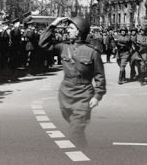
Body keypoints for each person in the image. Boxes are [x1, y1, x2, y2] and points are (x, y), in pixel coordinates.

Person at [39, 16, 106, 149]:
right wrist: (54, 24)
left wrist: (97, 96)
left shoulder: (92, 52)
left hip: (84, 94)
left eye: (71, 28)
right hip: (65, 94)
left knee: (75, 129)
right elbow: (43, 43)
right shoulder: (63, 47)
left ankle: (80, 157)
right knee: (75, 128)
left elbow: (100, 76)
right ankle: (83, 148)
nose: (67, 30)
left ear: (79, 31)